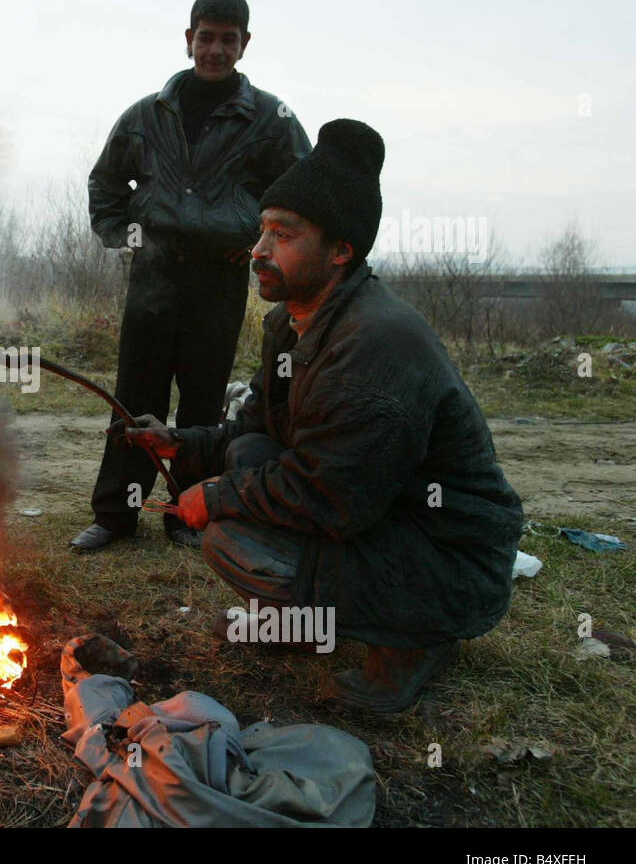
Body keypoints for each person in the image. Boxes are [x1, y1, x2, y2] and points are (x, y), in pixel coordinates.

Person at [120, 118, 523, 712]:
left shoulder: (376, 341)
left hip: (448, 557)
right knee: (246, 454)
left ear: (341, 250)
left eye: (283, 234)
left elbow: (333, 496)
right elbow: (254, 429)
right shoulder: (292, 321)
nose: (258, 250)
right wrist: (179, 444)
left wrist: (218, 496)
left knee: (232, 536)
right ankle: (309, 625)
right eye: (261, 231)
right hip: (387, 521)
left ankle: (415, 642)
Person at [74, 0, 311, 553]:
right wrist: (130, 238)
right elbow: (105, 184)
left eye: (228, 39)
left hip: (218, 282)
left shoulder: (271, 119)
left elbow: (301, 190)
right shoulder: (146, 115)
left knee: (203, 402)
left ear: (244, 45)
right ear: (188, 40)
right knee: (133, 397)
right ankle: (115, 515)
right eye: (205, 37)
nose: (215, 49)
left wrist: (261, 241)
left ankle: (186, 515)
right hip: (152, 278)